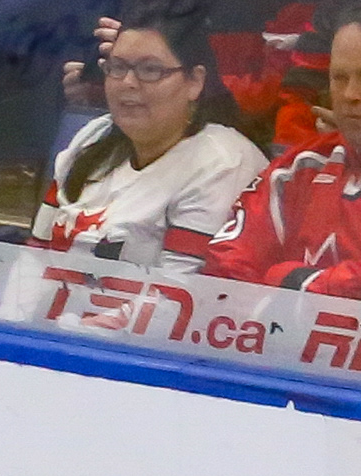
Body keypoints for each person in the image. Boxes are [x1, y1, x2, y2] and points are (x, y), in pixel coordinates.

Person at [18, 5, 270, 281]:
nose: (128, 82)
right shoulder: (93, 136)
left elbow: (178, 294)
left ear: (195, 82)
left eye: (150, 70)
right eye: (117, 67)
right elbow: (34, 258)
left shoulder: (225, 163)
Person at [200, 4, 361, 290]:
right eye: (339, 78)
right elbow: (224, 272)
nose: (350, 94)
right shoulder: (300, 167)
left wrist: (288, 279)